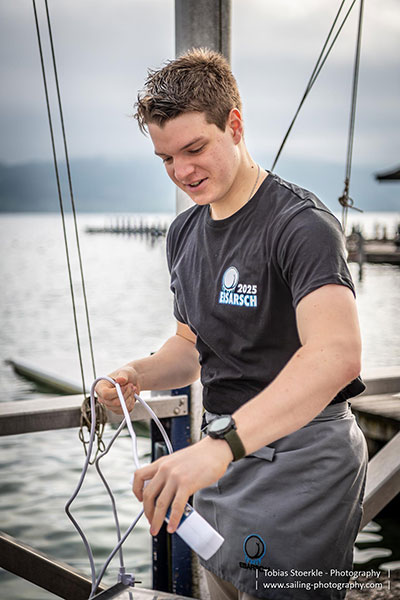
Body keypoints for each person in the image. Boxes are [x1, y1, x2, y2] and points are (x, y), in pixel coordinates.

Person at [96, 48, 368, 599]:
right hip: (220, 462)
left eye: (195, 149)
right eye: (166, 158)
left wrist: (218, 448)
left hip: (303, 460)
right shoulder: (183, 233)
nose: (182, 171)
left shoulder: (302, 225)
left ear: (235, 126)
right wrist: (138, 374)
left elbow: (337, 355)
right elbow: (189, 348)